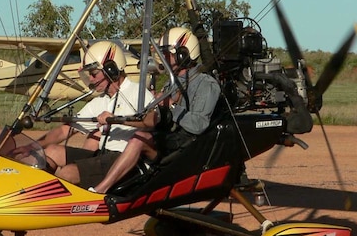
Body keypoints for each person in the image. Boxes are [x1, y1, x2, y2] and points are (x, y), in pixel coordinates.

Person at [87, 27, 221, 194]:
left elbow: (199, 124)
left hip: (187, 144)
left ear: (183, 55)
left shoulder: (205, 83)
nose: (162, 57)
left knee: (139, 139)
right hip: (167, 136)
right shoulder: (171, 82)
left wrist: (170, 105)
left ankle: (102, 189)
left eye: (167, 53)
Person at [29, 40, 156, 189]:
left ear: (111, 70)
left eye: (94, 74)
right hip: (103, 156)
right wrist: (32, 146)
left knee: (67, 173)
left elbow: (152, 120)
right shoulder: (101, 101)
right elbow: (65, 130)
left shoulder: (137, 92)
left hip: (124, 160)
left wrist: (117, 120)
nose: (91, 79)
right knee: (50, 152)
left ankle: (58, 205)